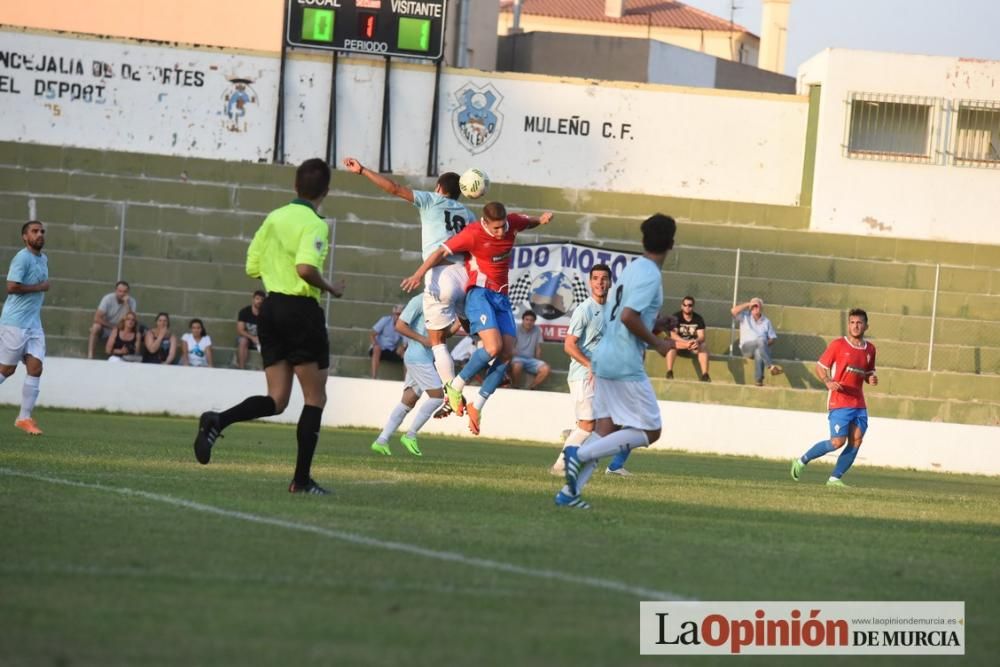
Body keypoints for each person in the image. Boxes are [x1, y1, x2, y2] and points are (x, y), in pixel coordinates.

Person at [192, 157, 345, 495]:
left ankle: (218, 420)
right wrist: (330, 286)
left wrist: (276, 277)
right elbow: (305, 268)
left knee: (276, 400)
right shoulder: (315, 223)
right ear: (326, 191)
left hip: (271, 308)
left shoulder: (274, 217)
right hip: (300, 309)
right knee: (315, 398)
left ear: (295, 186)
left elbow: (251, 266)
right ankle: (301, 481)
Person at [559, 214, 696, 509]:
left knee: (606, 431)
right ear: (672, 243)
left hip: (605, 357)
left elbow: (625, 314)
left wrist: (658, 322)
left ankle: (569, 494)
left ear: (644, 239)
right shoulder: (650, 274)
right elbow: (627, 317)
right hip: (623, 361)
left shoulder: (633, 269)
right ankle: (577, 454)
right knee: (651, 431)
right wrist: (658, 342)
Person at [401, 202, 553, 436]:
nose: (502, 231)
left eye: (504, 226)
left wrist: (540, 219)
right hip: (479, 293)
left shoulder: (511, 222)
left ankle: (477, 405)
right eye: (497, 228)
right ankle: (455, 387)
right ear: (485, 222)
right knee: (493, 347)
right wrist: (418, 273)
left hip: (501, 296)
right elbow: (441, 251)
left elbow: (527, 222)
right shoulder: (472, 233)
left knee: (506, 354)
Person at [344, 157, 474, 398]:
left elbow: (394, 188)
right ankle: (489, 359)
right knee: (471, 328)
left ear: (439, 188)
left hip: (440, 272)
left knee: (437, 340)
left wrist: (362, 170)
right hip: (464, 276)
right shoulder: (469, 214)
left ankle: (452, 394)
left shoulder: (431, 200)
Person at [549, 263, 633, 477]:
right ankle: (561, 465)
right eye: (595, 278)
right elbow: (569, 345)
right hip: (582, 375)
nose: (600, 282)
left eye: (604, 278)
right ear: (590, 282)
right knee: (588, 425)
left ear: (610, 282)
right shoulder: (584, 309)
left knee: (615, 420)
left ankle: (576, 440)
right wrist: (590, 365)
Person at [791, 309, 878, 488]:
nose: (855, 326)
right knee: (837, 442)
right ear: (848, 325)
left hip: (858, 402)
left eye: (859, 323)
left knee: (857, 440)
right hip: (839, 401)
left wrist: (871, 378)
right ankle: (801, 461)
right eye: (852, 322)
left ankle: (834, 478)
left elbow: (868, 372)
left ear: (866, 326)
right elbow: (820, 367)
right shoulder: (838, 345)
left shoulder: (870, 349)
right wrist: (828, 381)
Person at [370, 294, 454, 456]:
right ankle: (410, 435)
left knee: (408, 401)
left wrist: (459, 323)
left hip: (425, 357)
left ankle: (381, 440)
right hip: (417, 357)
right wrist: (422, 340)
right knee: (437, 397)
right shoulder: (419, 300)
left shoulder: (443, 304)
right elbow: (400, 326)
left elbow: (442, 335)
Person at [0, 221, 49, 435]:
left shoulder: (43, 258)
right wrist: (39, 287)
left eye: (42, 231)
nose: (39, 234)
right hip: (15, 323)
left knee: (36, 368)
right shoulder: (22, 258)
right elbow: (11, 287)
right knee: (7, 370)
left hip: (33, 323)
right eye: (34, 231)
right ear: (24, 236)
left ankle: (24, 418)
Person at [731, 296, 783, 386]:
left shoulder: (766, 321)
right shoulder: (745, 316)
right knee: (761, 340)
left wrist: (763, 345)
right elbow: (733, 311)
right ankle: (770, 366)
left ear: (761, 308)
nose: (755, 308)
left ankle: (759, 380)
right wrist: (748, 304)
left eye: (757, 306)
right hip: (746, 348)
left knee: (759, 350)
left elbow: (772, 338)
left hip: (760, 348)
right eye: (753, 306)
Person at [664, 296, 711, 382]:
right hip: (680, 345)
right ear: (681, 306)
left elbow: (702, 336)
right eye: (684, 305)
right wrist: (686, 343)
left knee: (703, 346)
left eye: (689, 305)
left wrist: (696, 341)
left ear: (693, 306)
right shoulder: (676, 317)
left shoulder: (698, 318)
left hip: (693, 346)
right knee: (671, 345)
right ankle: (669, 372)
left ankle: (705, 375)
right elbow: (673, 335)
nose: (687, 307)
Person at [88, 281, 136, 359]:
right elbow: (96, 318)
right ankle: (90, 356)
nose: (122, 294)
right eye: (120, 291)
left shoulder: (132, 301)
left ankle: (124, 357)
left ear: (128, 292)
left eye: (125, 292)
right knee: (95, 327)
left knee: (134, 331)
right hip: (107, 327)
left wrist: (126, 303)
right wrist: (113, 326)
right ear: (116, 291)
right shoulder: (108, 298)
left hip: (121, 329)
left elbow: (130, 319)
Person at [510, 310, 551, 389]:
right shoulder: (515, 328)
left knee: (546, 368)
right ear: (523, 320)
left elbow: (538, 348)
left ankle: (532, 388)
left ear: (534, 321)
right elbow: (511, 345)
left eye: (531, 320)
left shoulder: (537, 330)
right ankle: (515, 386)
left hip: (530, 360)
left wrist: (538, 360)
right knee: (517, 365)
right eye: (527, 319)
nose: (529, 322)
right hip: (517, 358)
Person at [369, 305, 405, 379]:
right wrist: (375, 344)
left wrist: (402, 347)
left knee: (406, 354)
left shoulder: (404, 326)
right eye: (397, 314)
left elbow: (406, 342)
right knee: (376, 349)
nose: (399, 316)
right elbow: (372, 334)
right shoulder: (385, 320)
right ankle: (373, 378)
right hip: (379, 348)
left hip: (391, 350)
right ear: (393, 314)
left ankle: (406, 382)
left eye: (401, 314)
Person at [236, 290, 265, 369]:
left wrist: (260, 339)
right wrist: (252, 338)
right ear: (253, 299)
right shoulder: (244, 312)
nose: (259, 301)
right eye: (257, 299)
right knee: (243, 340)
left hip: (261, 339)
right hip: (248, 338)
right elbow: (240, 330)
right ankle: (241, 369)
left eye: (262, 300)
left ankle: (265, 370)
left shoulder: (266, 313)